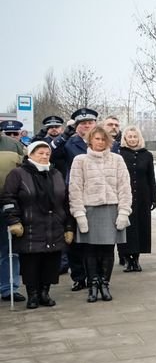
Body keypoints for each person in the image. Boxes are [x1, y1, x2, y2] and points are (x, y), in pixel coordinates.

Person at [2, 140, 72, 309]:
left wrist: (69, 227)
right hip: (30, 226)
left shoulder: (55, 174)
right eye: (40, 153)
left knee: (50, 261)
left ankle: (44, 293)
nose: (44, 156)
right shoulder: (18, 174)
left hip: (54, 225)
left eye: (47, 154)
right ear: (30, 154)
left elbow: (66, 202)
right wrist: (13, 221)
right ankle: (32, 294)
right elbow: (8, 199)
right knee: (31, 262)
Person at [68, 126, 132, 303]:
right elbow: (75, 189)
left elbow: (125, 187)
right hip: (89, 210)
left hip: (111, 209)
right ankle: (93, 284)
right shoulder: (80, 160)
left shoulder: (117, 159)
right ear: (90, 140)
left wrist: (124, 212)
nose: (100, 142)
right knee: (90, 249)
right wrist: (79, 214)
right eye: (97, 139)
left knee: (107, 249)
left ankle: (105, 283)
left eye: (104, 139)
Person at [51, 107, 100, 290]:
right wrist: (63, 136)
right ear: (76, 126)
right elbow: (52, 155)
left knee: (95, 238)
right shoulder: (69, 144)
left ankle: (96, 274)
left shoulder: (102, 141)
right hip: (74, 195)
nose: (87, 126)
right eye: (83, 123)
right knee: (74, 238)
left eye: (90, 122)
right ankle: (79, 276)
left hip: (97, 195)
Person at [117, 126, 156, 272]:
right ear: (125, 138)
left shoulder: (147, 155)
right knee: (127, 227)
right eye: (130, 136)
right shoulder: (120, 154)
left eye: (135, 136)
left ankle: (137, 259)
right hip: (125, 196)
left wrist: (154, 197)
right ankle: (127, 259)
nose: (132, 139)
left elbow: (150, 177)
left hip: (142, 195)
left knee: (141, 226)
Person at [0, 124, 27, 303]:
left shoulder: (13, 145)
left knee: (9, 250)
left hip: (9, 204)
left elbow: (27, 169)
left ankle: (9, 288)